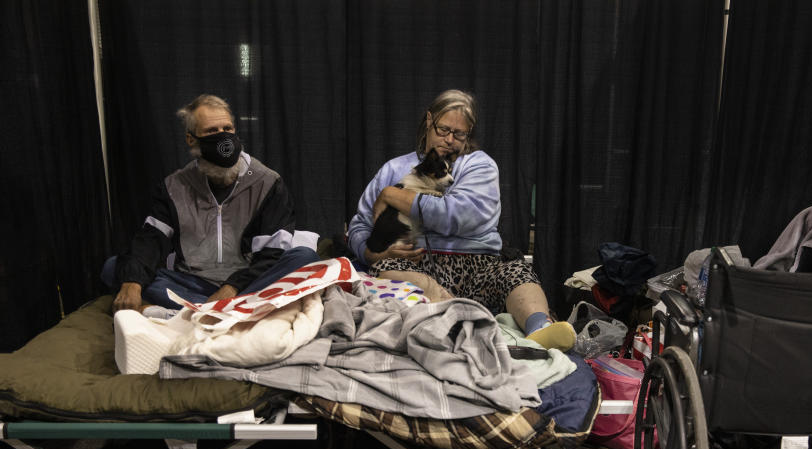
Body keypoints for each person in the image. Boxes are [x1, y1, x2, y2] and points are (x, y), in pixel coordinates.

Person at [347, 89, 575, 351]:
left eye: (459, 134)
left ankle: (540, 329)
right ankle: (455, 318)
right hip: (414, 263)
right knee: (385, 270)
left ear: (470, 134)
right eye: (443, 130)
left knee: (516, 272)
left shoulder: (480, 165)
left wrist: (393, 196)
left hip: (477, 265)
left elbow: (457, 215)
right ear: (428, 121)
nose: (450, 140)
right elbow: (361, 223)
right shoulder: (393, 168)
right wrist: (370, 252)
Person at [103, 94, 319, 314]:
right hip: (192, 281)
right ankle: (224, 312)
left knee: (305, 258)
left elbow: (272, 255)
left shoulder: (268, 182)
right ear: (191, 139)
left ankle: (187, 312)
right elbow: (150, 240)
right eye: (212, 132)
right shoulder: (174, 186)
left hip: (248, 284)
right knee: (116, 268)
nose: (223, 138)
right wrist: (133, 283)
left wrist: (231, 288)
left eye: (227, 129)